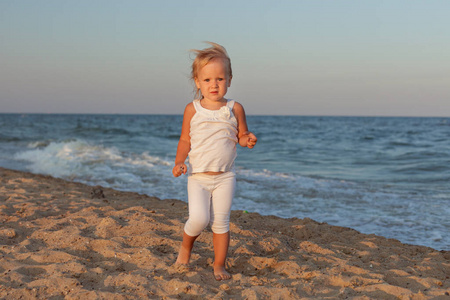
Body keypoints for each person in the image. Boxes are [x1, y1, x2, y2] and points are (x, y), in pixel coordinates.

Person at [172, 42, 257, 281]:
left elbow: (240, 135)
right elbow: (185, 140)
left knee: (221, 222)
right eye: (207, 80)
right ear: (197, 81)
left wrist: (247, 139)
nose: (214, 84)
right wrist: (179, 162)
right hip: (198, 177)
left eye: (220, 79)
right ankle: (186, 247)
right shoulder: (193, 109)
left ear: (229, 79)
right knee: (199, 219)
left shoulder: (235, 108)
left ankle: (219, 264)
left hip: (225, 177)